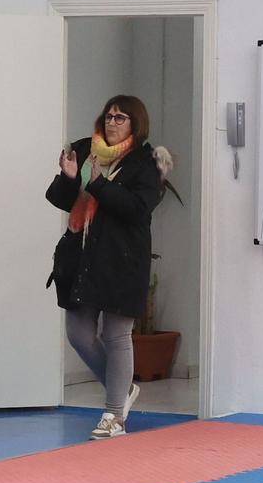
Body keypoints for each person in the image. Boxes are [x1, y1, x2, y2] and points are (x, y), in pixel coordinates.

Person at [46, 95, 173, 440]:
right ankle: (123, 388)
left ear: (136, 124)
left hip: (122, 259)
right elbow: (59, 198)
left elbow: (136, 208)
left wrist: (99, 183)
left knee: (116, 335)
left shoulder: (145, 162)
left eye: (121, 118)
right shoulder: (85, 150)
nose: (112, 123)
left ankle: (114, 414)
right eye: (109, 116)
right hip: (83, 255)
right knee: (79, 334)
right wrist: (70, 178)